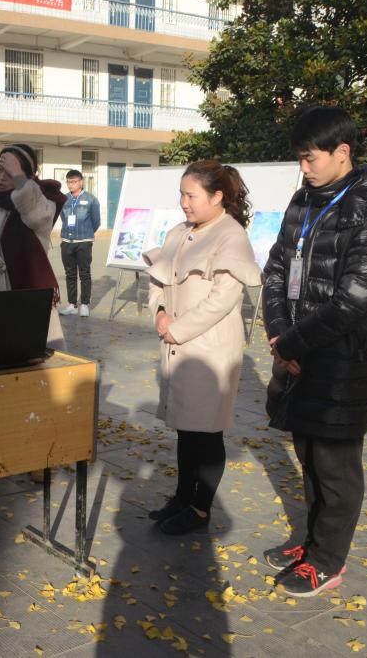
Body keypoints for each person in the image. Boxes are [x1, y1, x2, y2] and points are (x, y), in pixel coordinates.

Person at [262, 106, 367, 597]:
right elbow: (276, 270)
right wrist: (279, 335)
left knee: (335, 467)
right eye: (300, 159)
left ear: (342, 152)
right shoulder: (303, 201)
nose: (304, 168)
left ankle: (328, 561)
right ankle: (311, 542)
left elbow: (355, 301)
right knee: (308, 455)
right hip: (298, 354)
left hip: (343, 362)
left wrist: (291, 343)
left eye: (311, 158)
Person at [143, 161, 260, 535]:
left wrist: (178, 329)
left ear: (217, 196)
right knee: (185, 427)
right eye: (181, 194)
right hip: (177, 344)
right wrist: (160, 312)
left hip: (209, 348)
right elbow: (157, 282)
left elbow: (223, 299)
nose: (184, 203)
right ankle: (182, 497)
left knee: (207, 431)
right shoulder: (178, 233)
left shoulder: (230, 236)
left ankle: (200, 508)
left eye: (191, 195)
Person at [0, 144, 67, 350]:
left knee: (28, 354)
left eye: (10, 173)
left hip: (26, 293)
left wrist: (19, 177)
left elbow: (36, 218)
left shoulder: (42, 203)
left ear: (26, 177)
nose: (2, 178)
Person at [58, 169, 101, 318]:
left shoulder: (91, 199)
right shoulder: (63, 199)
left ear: (81, 182)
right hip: (66, 241)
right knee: (70, 273)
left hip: (83, 242)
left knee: (84, 273)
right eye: (68, 182)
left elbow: (96, 221)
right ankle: (72, 304)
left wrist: (85, 233)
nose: (71, 184)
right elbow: (63, 218)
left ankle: (84, 304)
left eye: (74, 181)